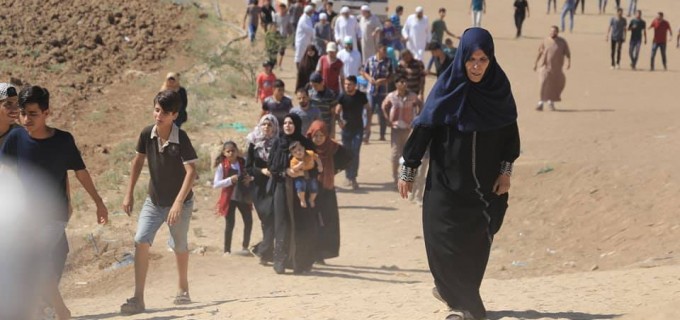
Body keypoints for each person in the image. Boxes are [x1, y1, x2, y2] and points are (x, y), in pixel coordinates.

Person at [398, 27, 520, 320]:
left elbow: (510, 135)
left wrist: (506, 171)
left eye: (482, 59)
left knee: (478, 240)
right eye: (471, 59)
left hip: (483, 187)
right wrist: (409, 167)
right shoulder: (447, 87)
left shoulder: (498, 89)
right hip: (445, 183)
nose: (476, 66)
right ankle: (463, 306)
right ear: (462, 58)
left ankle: (457, 294)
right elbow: (425, 126)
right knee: (442, 238)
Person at [1, 86, 109, 320]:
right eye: (23, 113)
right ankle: (48, 309)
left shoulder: (63, 141)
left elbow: (81, 173)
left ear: (47, 112)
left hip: (53, 215)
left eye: (33, 114)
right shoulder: (15, 138)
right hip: (23, 217)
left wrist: (99, 203)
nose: (26, 119)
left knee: (34, 259)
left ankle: (59, 311)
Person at [268, 113, 318, 274]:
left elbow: (315, 166)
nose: (288, 125)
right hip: (282, 188)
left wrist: (303, 172)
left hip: (301, 190)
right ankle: (281, 262)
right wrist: (286, 172)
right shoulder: (277, 143)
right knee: (282, 223)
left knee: (301, 224)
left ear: (296, 125)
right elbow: (272, 167)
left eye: (291, 123)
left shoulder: (304, 143)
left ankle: (300, 263)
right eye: (285, 123)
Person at [306, 120, 351, 264]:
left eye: (321, 135)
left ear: (326, 135)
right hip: (310, 189)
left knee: (326, 221)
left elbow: (348, 157)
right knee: (311, 221)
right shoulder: (306, 148)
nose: (318, 139)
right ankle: (309, 252)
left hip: (326, 190)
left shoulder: (333, 147)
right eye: (315, 136)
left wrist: (334, 170)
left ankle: (321, 253)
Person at [247, 115, 279, 265]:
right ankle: (264, 251)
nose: (266, 127)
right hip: (259, 188)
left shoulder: (279, 143)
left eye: (270, 125)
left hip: (274, 186)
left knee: (272, 218)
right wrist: (262, 171)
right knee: (266, 219)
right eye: (264, 124)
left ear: (274, 127)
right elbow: (248, 167)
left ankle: (263, 250)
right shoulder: (253, 143)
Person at [213, 141, 254, 256]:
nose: (231, 153)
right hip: (229, 197)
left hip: (243, 195)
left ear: (237, 151)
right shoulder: (222, 166)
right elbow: (216, 184)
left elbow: (252, 174)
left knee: (248, 220)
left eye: (233, 151)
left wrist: (250, 178)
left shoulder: (243, 162)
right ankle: (227, 250)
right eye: (228, 151)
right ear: (224, 153)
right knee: (230, 223)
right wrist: (230, 180)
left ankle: (245, 247)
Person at [381, 75, 422, 186]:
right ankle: (395, 178)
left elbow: (420, 104)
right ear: (396, 84)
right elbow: (383, 106)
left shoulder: (412, 96)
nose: (403, 84)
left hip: (408, 128)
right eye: (401, 82)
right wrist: (387, 119)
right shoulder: (391, 96)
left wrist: (417, 117)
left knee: (407, 154)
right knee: (395, 154)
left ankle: (405, 178)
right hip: (396, 128)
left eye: (405, 82)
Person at [335, 76, 370, 190]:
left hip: (358, 129)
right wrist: (339, 121)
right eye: (345, 84)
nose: (347, 86)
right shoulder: (342, 96)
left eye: (349, 84)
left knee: (355, 152)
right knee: (347, 152)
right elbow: (337, 111)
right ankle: (347, 176)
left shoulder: (361, 96)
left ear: (355, 85)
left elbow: (368, 108)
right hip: (346, 130)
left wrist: (368, 124)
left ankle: (353, 177)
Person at [534, 26, 571, 111]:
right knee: (543, 83)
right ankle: (541, 102)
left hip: (556, 68)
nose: (552, 33)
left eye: (554, 31)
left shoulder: (562, 42)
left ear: (557, 32)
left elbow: (567, 53)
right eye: (551, 31)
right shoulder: (545, 41)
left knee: (553, 85)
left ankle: (551, 102)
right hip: (545, 66)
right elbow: (539, 52)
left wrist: (569, 63)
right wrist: (535, 63)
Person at [361, 45, 393, 142]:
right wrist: (369, 78)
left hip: (382, 91)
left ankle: (382, 135)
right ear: (378, 49)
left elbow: (392, 76)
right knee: (368, 112)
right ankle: (366, 135)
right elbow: (364, 72)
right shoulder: (370, 60)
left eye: (386, 50)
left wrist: (384, 80)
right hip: (371, 91)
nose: (385, 52)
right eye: (384, 50)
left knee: (382, 112)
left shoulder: (388, 61)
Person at [289, 141, 323, 208]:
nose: (298, 153)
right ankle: (302, 200)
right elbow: (293, 169)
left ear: (303, 148)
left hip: (311, 173)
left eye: (299, 149)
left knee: (314, 187)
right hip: (300, 175)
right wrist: (298, 166)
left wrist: (320, 165)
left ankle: (311, 199)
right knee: (300, 187)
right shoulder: (294, 160)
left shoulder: (310, 153)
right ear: (292, 154)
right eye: (295, 152)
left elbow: (317, 158)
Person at [308, 72, 339, 137]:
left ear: (322, 83)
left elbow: (333, 114)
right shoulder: (310, 94)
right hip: (314, 127)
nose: (314, 88)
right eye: (312, 85)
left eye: (315, 85)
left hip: (326, 127)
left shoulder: (331, 95)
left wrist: (333, 131)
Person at [428, 8, 459, 72]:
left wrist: (455, 36)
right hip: (435, 41)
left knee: (437, 55)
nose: (442, 14)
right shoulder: (435, 22)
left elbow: (447, 32)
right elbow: (431, 31)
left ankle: (431, 68)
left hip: (439, 42)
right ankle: (429, 69)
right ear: (439, 13)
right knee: (436, 55)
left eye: (443, 12)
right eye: (441, 12)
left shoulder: (443, 23)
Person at [273, 3, 295, 69]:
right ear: (279, 9)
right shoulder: (276, 15)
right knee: (275, 50)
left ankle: (279, 64)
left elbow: (289, 26)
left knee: (282, 51)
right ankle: (275, 63)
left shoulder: (288, 16)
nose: (282, 10)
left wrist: (291, 34)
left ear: (285, 9)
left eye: (283, 9)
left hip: (284, 35)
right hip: (277, 35)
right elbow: (274, 25)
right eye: (280, 9)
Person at [295, 5, 316, 69]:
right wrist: (315, 32)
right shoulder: (303, 19)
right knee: (299, 57)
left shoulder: (308, 18)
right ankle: (299, 71)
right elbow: (308, 29)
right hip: (301, 41)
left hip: (306, 41)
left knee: (305, 56)